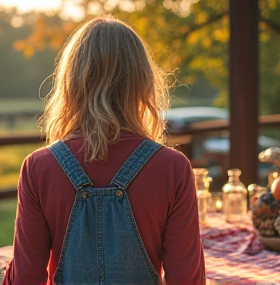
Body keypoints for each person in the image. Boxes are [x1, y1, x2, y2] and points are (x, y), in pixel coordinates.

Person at [2, 16, 206, 285]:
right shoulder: (172, 168)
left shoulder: (39, 168)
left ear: (71, 83)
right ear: (142, 83)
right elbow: (187, 281)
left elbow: (26, 279)